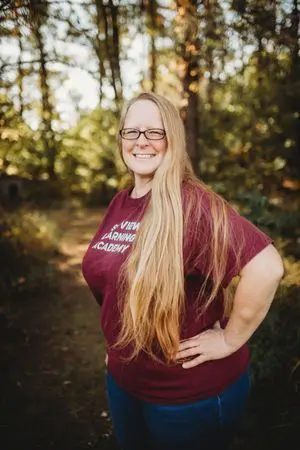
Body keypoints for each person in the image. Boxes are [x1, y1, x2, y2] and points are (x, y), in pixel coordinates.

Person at [81, 92, 284, 450]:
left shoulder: (192, 205)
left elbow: (266, 266)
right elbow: (109, 280)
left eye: (154, 132)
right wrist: (115, 341)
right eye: (132, 132)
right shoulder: (121, 202)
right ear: (121, 140)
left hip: (187, 398)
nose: (141, 141)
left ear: (172, 139)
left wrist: (230, 338)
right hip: (124, 381)